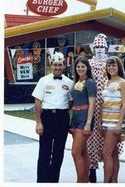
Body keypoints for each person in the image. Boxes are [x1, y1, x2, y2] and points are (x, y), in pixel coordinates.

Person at [32, 52, 74, 183]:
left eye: (60, 65)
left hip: (62, 118)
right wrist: (38, 122)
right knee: (44, 151)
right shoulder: (43, 81)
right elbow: (38, 102)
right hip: (47, 117)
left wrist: (63, 113)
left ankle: (53, 181)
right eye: (55, 65)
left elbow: (71, 101)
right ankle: (42, 181)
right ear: (51, 65)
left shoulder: (69, 82)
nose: (57, 67)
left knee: (58, 152)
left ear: (64, 66)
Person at [100, 56, 125, 183]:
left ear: (119, 67)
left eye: (114, 65)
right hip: (105, 122)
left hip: (115, 123)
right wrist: (100, 121)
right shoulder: (106, 82)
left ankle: (106, 182)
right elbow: (103, 103)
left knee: (106, 154)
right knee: (113, 154)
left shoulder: (123, 82)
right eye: (109, 65)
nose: (111, 68)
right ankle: (114, 181)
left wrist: (119, 124)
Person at [69, 56, 97, 182]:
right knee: (82, 151)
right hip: (74, 118)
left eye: (83, 66)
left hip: (84, 119)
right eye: (78, 66)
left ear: (87, 68)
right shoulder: (76, 82)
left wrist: (88, 123)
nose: (80, 69)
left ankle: (80, 181)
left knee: (75, 152)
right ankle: (85, 180)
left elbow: (92, 104)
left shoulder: (90, 82)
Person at [87, 33, 109, 182]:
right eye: (98, 47)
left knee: (107, 138)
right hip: (91, 107)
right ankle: (92, 169)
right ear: (94, 48)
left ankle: (110, 175)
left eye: (102, 47)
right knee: (91, 139)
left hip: (108, 107)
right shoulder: (89, 63)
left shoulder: (112, 63)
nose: (100, 49)